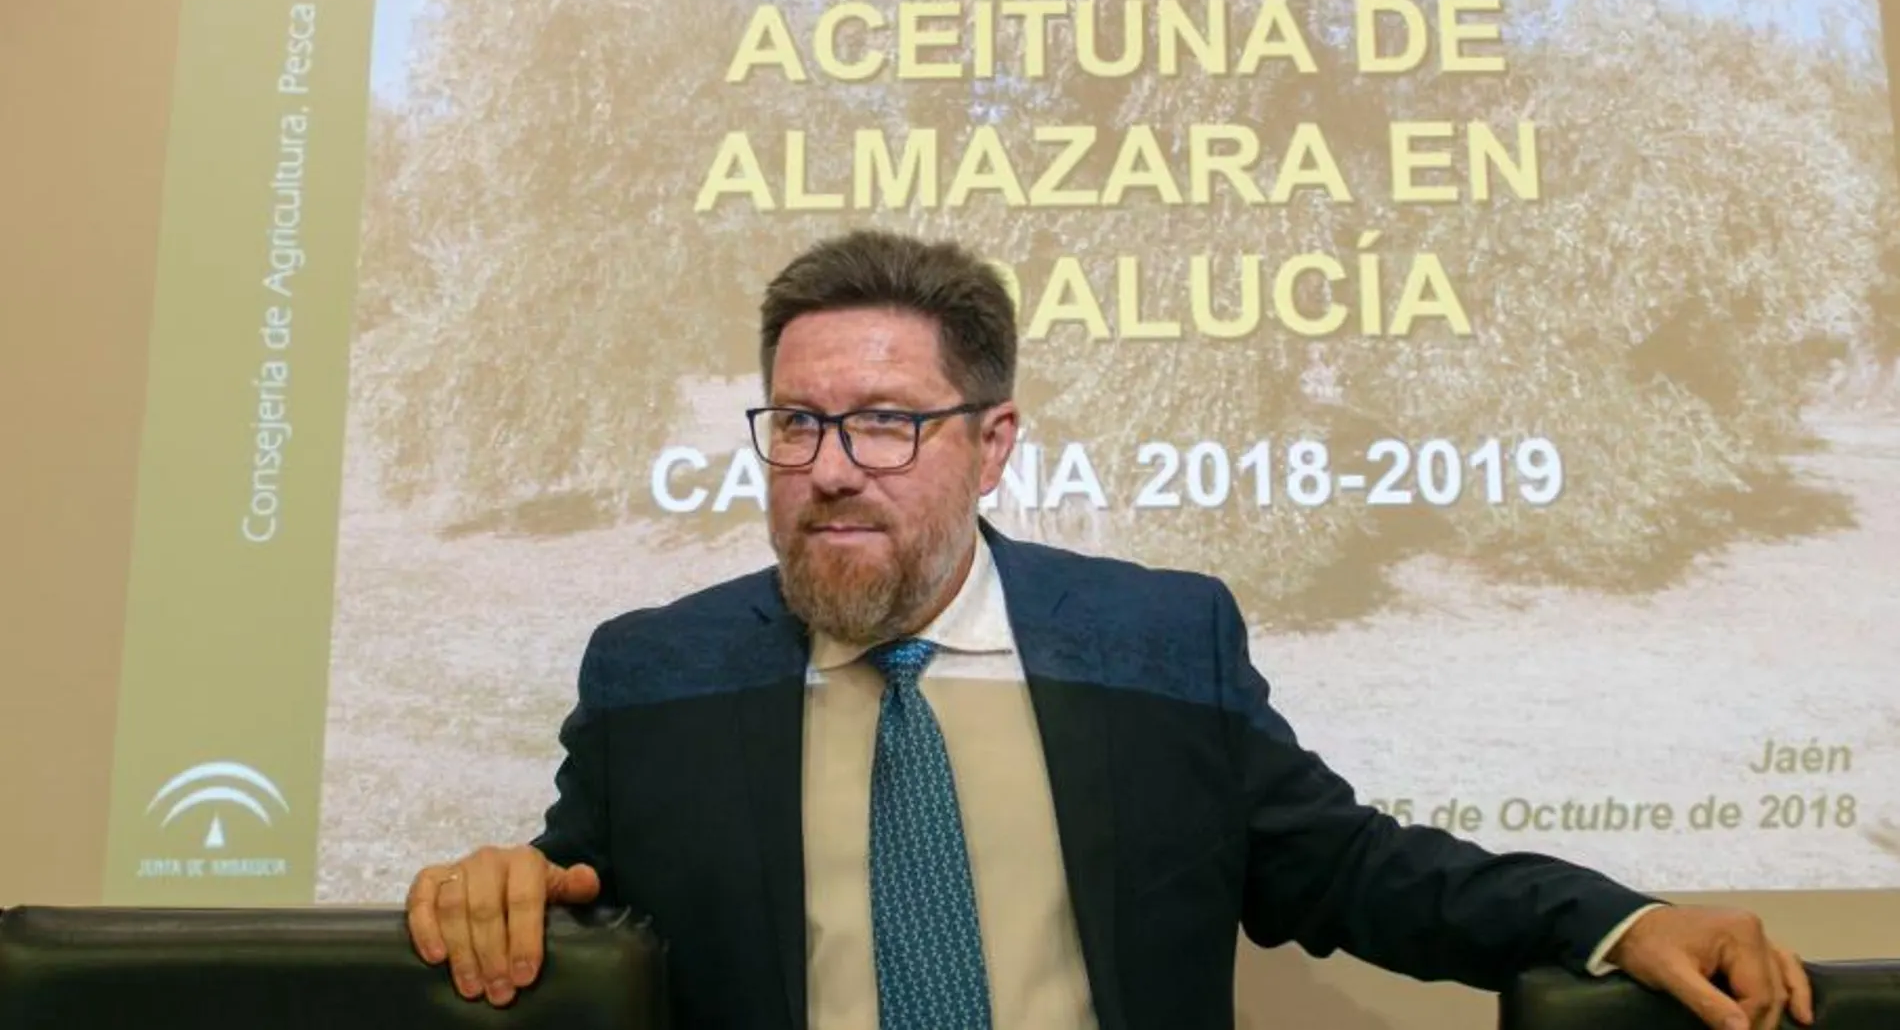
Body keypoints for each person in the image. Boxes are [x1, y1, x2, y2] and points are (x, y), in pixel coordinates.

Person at [406, 229, 1812, 1030]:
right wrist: (504, 885)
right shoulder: (658, 673)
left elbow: (1356, 871)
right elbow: (579, 895)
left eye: (888, 422)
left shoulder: (1156, 640)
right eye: (798, 423)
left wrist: (1618, 919)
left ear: (993, 441)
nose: (831, 465)